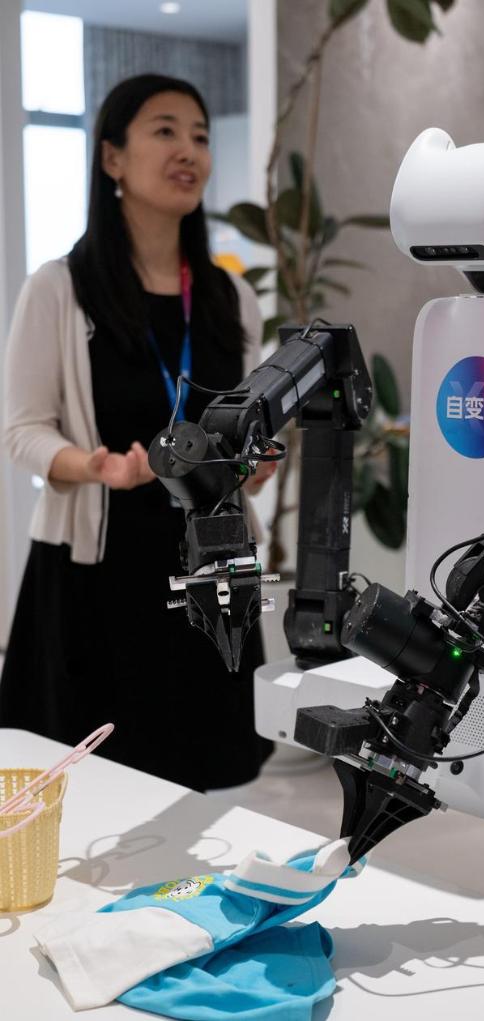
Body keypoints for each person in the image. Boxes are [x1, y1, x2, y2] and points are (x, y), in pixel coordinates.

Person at [0, 74, 276, 790]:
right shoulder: (60, 287)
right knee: (91, 786)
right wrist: (94, 466)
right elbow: (22, 431)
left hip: (211, 571)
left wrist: (255, 463)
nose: (189, 150)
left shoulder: (228, 296)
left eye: (200, 136)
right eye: (165, 131)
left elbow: (244, 427)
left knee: (205, 787)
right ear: (112, 158)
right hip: (99, 571)